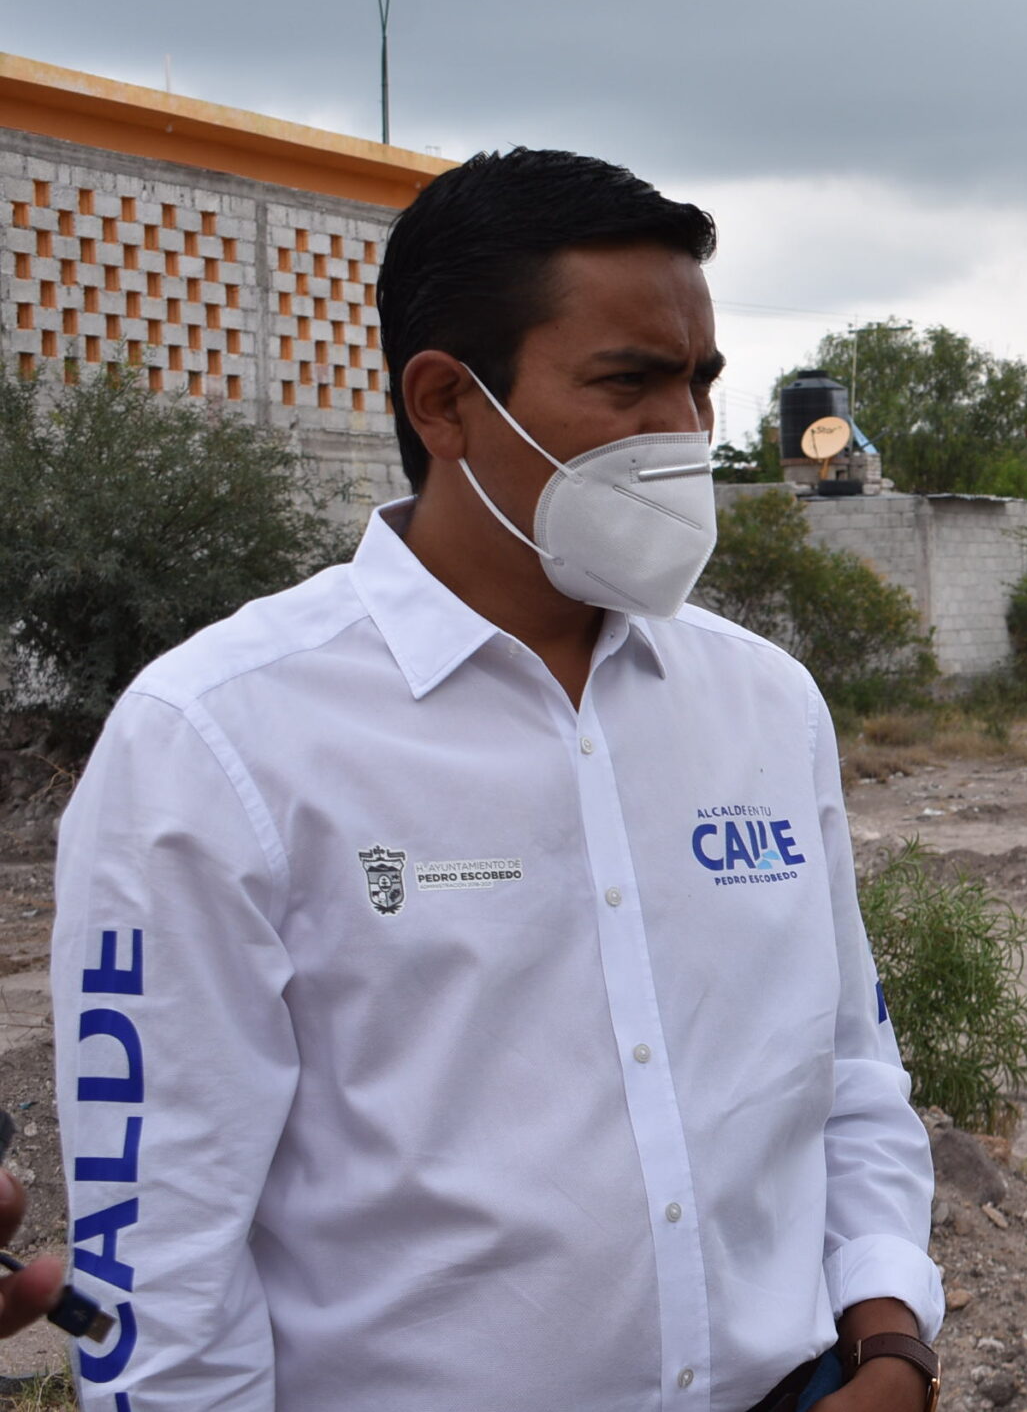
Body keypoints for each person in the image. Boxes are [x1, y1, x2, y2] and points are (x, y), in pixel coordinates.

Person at [52, 149, 943, 1411]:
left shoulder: (764, 704)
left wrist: (891, 1336)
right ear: (445, 403)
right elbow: (164, 1252)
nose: (685, 432)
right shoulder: (216, 741)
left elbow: (847, 1071)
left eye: (699, 381)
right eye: (628, 382)